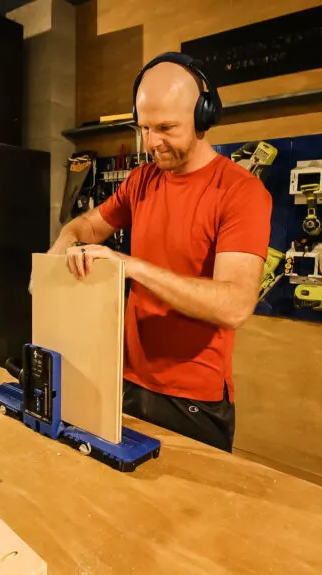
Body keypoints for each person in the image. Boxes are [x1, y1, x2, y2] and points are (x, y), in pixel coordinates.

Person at [46, 53, 272, 452]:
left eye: (166, 128)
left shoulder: (241, 192)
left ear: (204, 117)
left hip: (192, 400)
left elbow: (235, 305)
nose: (152, 142)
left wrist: (132, 267)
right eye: (145, 128)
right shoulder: (142, 180)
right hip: (125, 379)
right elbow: (88, 225)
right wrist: (67, 236)